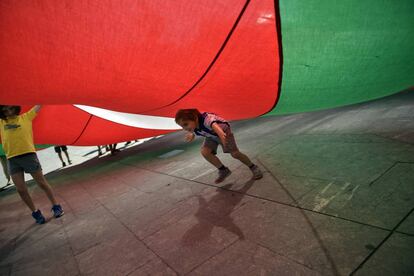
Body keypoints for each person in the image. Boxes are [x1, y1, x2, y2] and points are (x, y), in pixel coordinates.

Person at [0, 105, 64, 224]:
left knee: (42, 183)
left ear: (15, 108)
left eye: (9, 108)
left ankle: (56, 206)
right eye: (4, 109)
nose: (7, 111)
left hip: (28, 155)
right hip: (12, 159)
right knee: (21, 189)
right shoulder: (1, 122)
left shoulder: (26, 117)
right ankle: (35, 212)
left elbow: (39, 105)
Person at [175, 109, 263, 183]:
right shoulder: (194, 125)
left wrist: (223, 139)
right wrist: (191, 134)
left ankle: (253, 167)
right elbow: (194, 128)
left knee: (235, 154)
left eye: (185, 124)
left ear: (195, 118)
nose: (184, 128)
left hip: (223, 133)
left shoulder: (207, 120)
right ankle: (223, 170)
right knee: (205, 152)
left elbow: (216, 128)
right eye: (182, 126)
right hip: (211, 136)